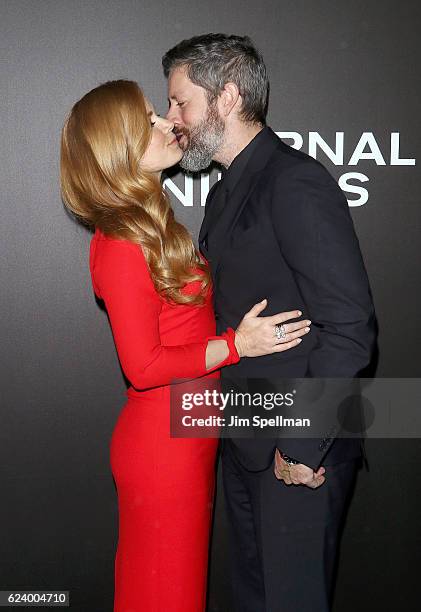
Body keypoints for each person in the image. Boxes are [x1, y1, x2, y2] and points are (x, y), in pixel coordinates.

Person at [59, 80, 310, 612]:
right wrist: (236, 345)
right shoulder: (123, 243)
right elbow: (144, 365)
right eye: (148, 121)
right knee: (163, 594)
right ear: (119, 147)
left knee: (175, 591)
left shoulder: (150, 226)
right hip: (161, 445)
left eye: (159, 114)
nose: (168, 124)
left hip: (189, 430)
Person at [163, 34, 377, 611]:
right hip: (246, 439)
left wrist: (302, 445)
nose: (172, 118)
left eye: (181, 102)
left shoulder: (293, 182)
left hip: (297, 454)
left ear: (227, 97)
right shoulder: (228, 189)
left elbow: (350, 325)